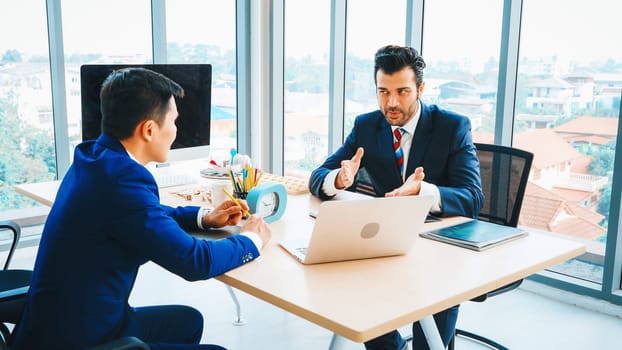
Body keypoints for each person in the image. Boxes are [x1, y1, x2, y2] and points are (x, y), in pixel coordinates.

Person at [11, 68, 271, 350]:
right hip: (83, 339)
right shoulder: (122, 182)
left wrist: (204, 218)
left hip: (62, 322)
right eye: (173, 121)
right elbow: (195, 261)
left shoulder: (95, 157)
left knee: (188, 321)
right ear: (149, 130)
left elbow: (143, 214)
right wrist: (251, 239)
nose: (176, 130)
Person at [309, 45, 484, 350]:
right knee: (355, 306)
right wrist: (338, 178)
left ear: (420, 88)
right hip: (386, 246)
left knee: (429, 342)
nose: (391, 102)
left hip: (439, 253)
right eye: (383, 92)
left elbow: (472, 198)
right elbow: (317, 176)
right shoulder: (367, 126)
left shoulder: (452, 127)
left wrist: (423, 192)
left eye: (402, 91)